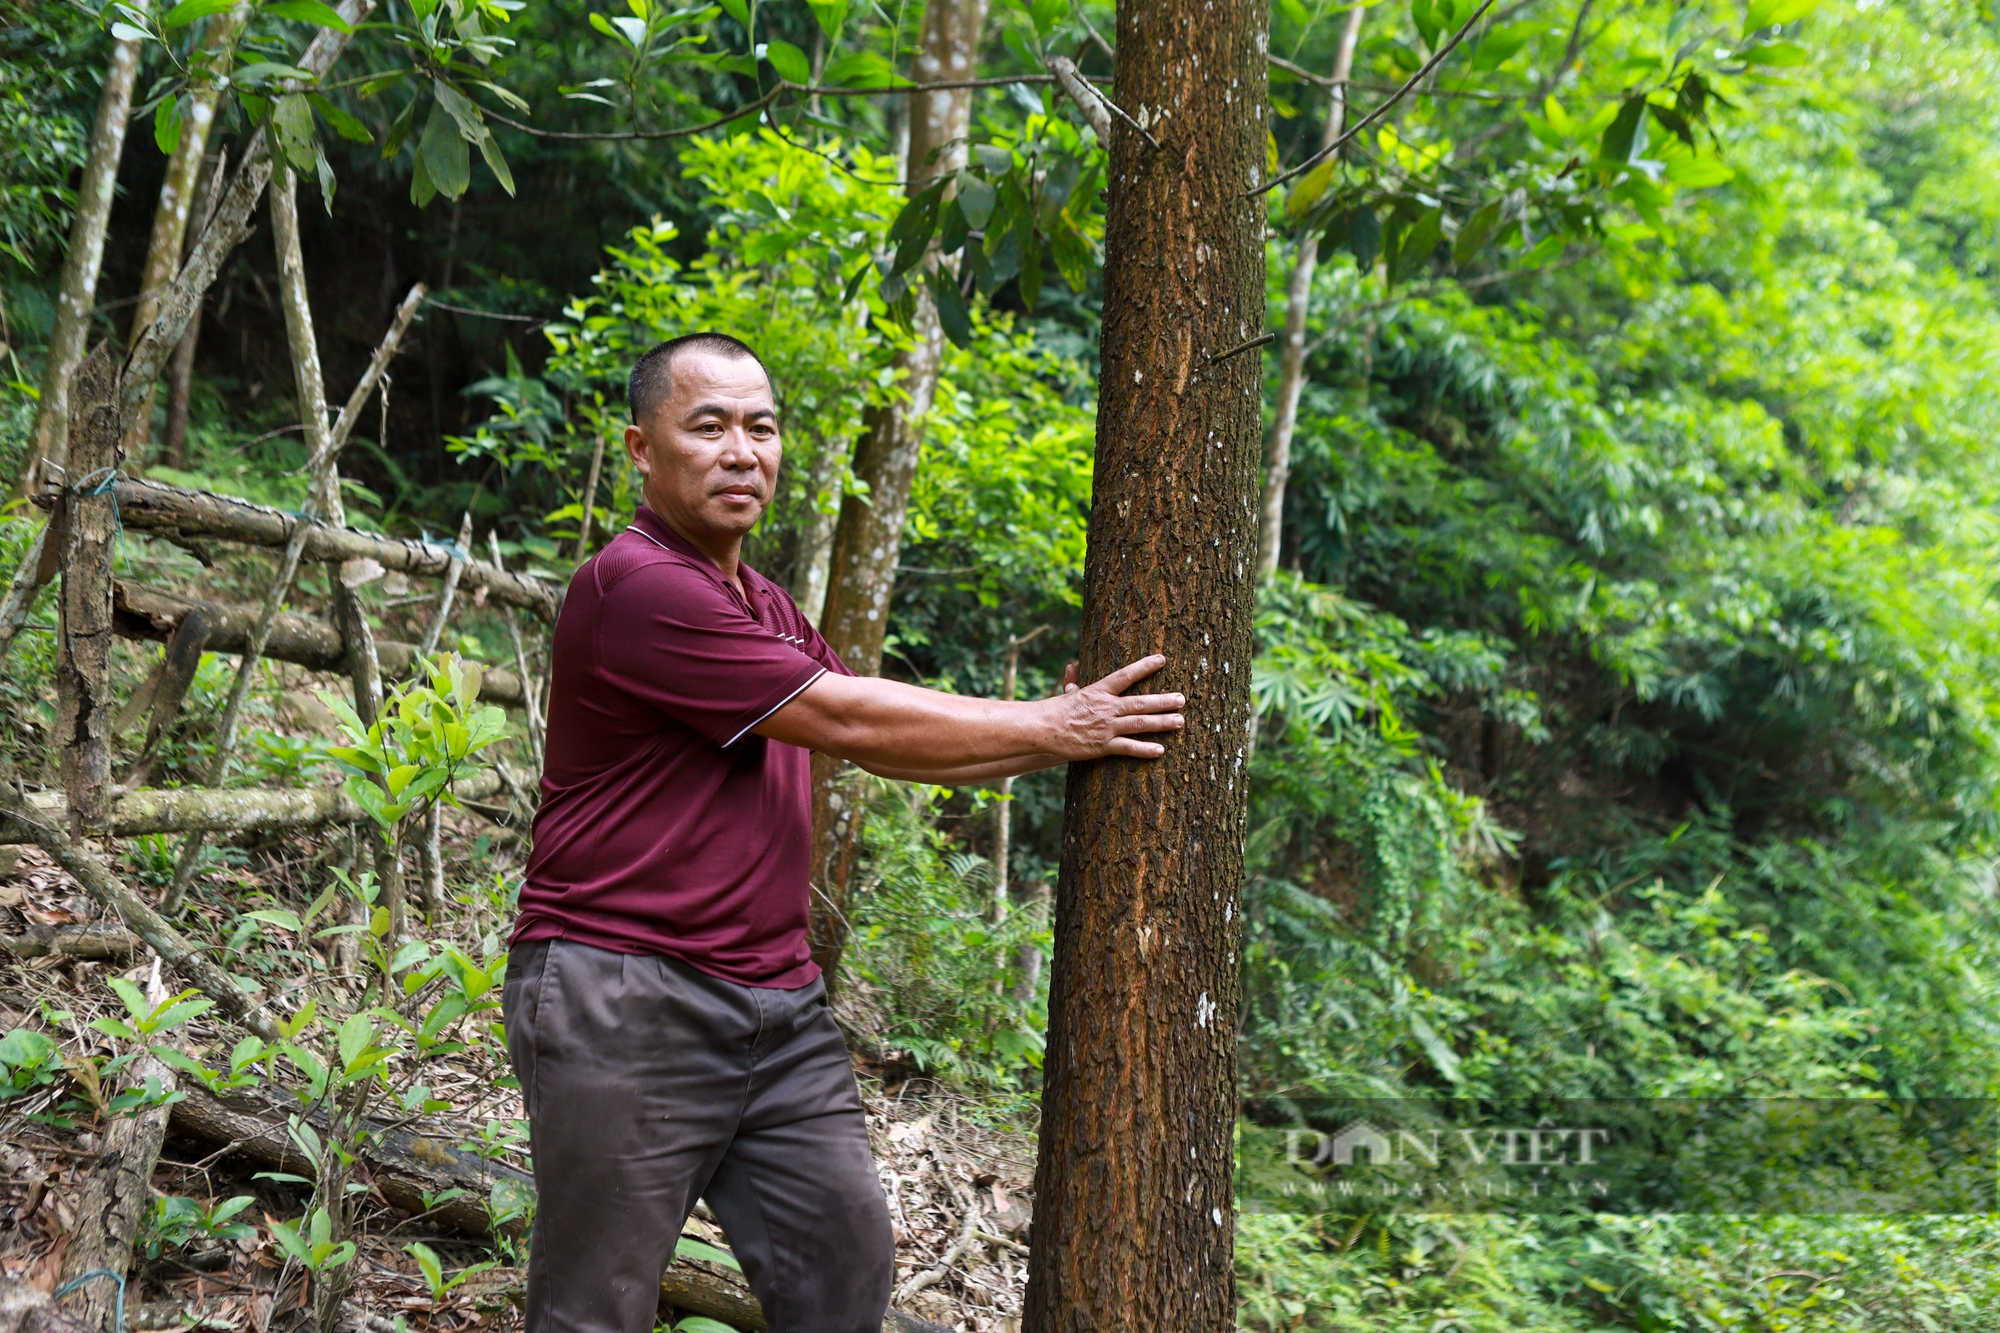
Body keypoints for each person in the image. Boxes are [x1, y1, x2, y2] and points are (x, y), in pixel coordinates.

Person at [502, 332, 1187, 1333]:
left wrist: (1056, 736)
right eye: (708, 426)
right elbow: (846, 717)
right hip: (626, 992)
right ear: (641, 449)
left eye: (761, 426)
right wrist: (1051, 725)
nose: (741, 450)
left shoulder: (764, 604)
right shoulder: (637, 584)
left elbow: (878, 739)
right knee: (594, 1307)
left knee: (842, 1266)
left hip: (776, 1008)